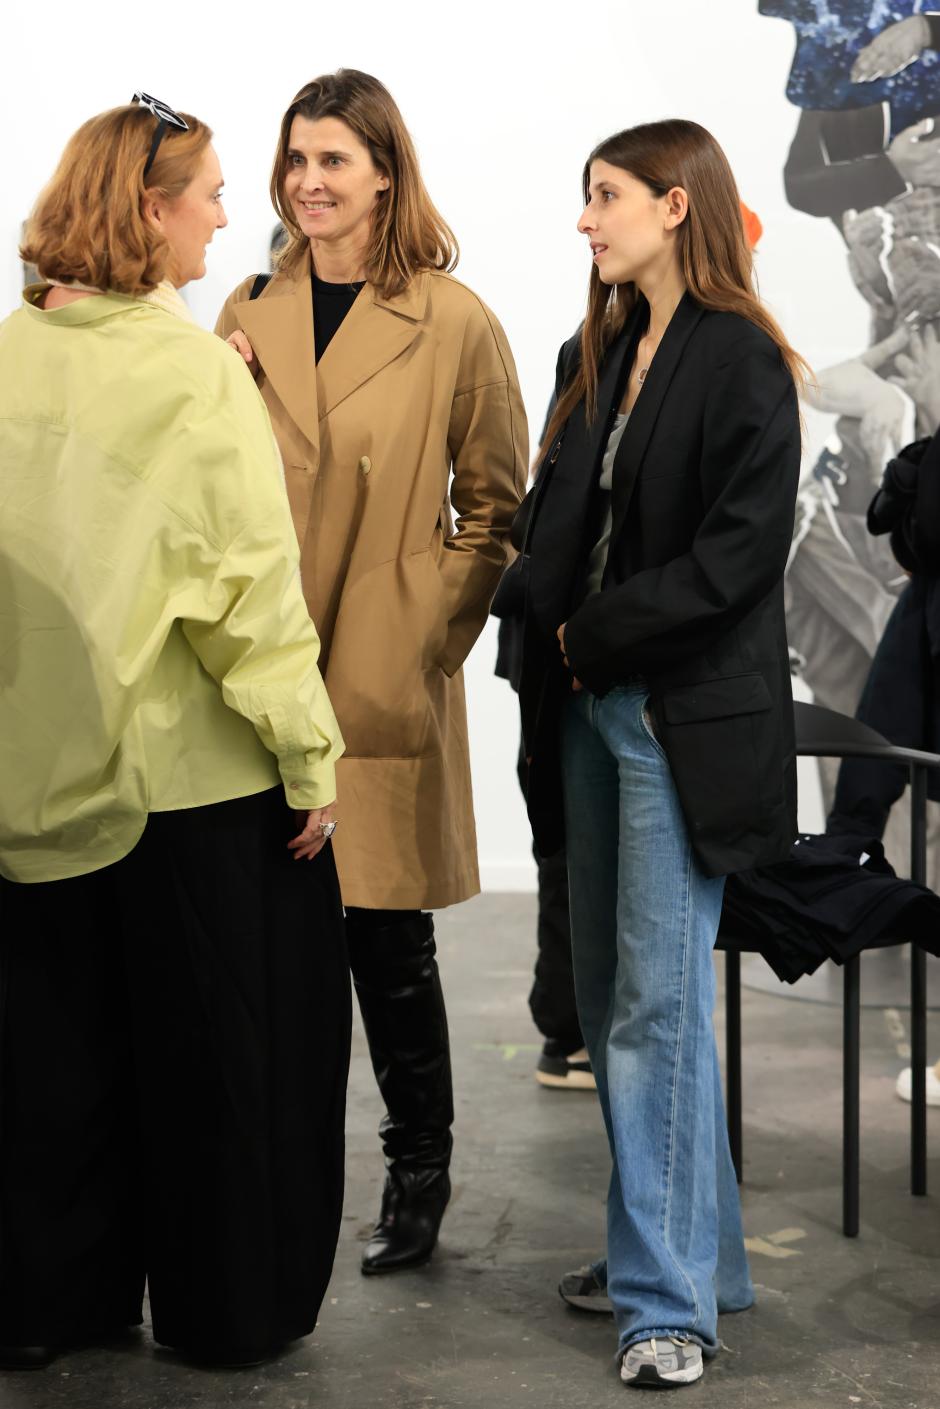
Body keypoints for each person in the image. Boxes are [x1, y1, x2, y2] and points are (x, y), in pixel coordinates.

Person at [0, 95, 349, 1370]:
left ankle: (50, 1306)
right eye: (206, 191)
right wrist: (311, 759)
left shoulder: (5, 354)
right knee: (217, 1072)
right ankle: (221, 1316)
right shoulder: (195, 367)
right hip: (188, 788)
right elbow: (247, 596)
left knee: (52, 1069)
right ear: (150, 210)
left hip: (33, 783)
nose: (225, 213)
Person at [216, 70, 527, 1275]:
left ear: (386, 173)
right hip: (256, 669)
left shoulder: (453, 320)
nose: (308, 182)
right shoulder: (247, 307)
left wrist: (422, 630)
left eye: (334, 159)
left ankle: (419, 1168)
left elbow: (495, 508)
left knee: (385, 942)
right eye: (295, 158)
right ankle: (277, 1176)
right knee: (265, 943)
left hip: (380, 666)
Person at [518, 118, 805, 1388]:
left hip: (665, 712)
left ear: (676, 204)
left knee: (651, 1008)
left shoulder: (742, 359)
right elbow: (555, 521)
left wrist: (592, 628)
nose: (587, 221)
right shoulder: (599, 349)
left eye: (606, 196)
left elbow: (738, 560)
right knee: (614, 1000)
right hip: (586, 703)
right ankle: (700, 1257)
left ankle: (664, 1301)